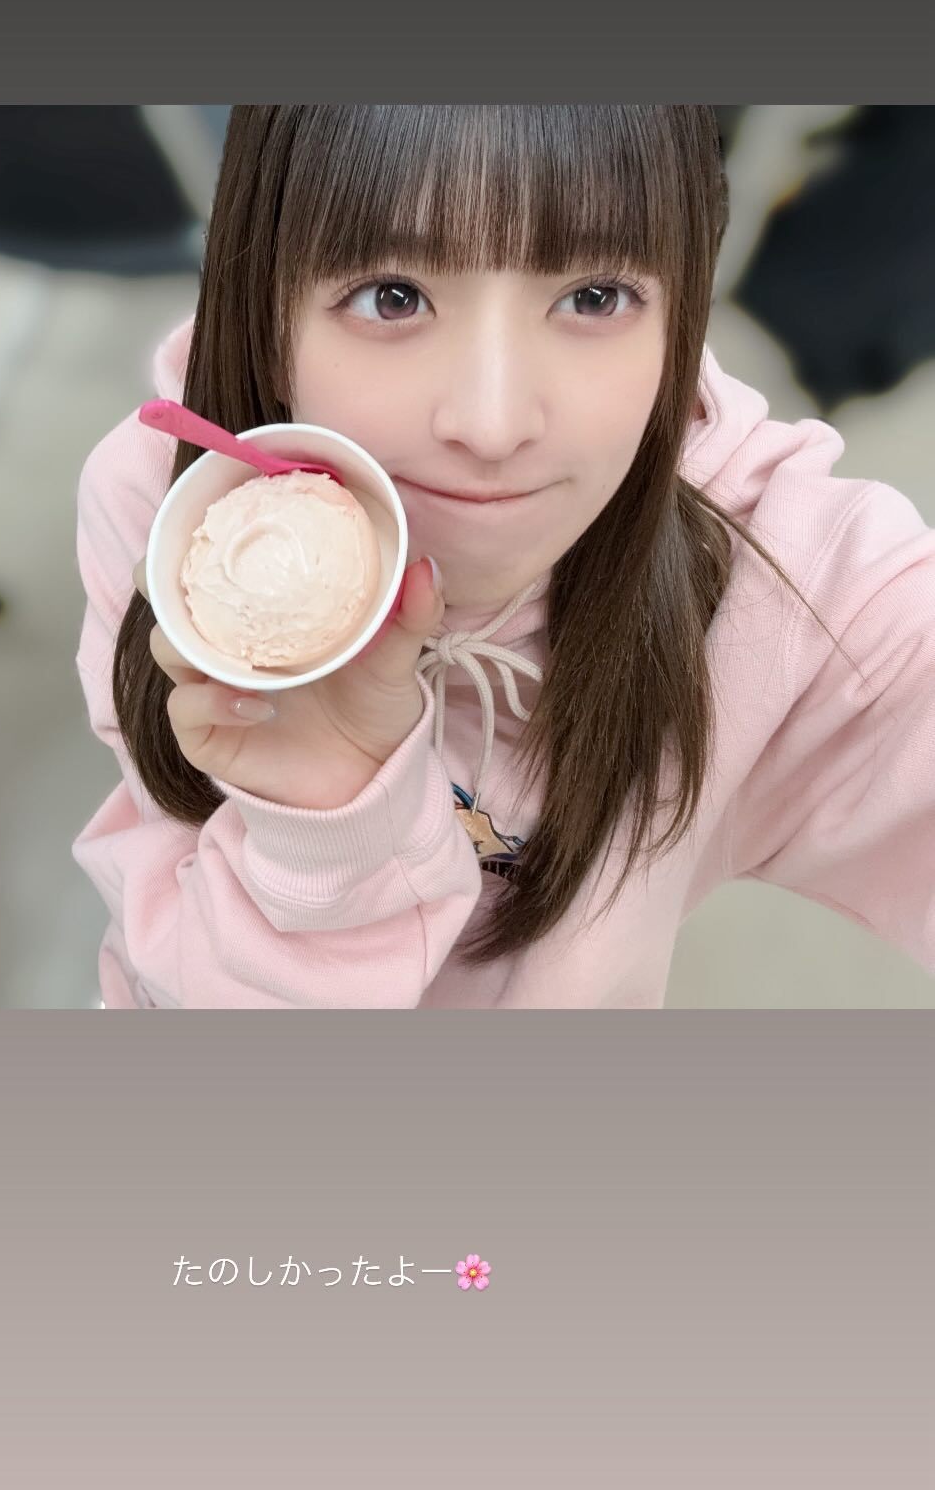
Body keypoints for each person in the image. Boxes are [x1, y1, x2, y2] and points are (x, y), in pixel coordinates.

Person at [72, 105, 935, 1008]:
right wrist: (323, 835)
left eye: (594, 297)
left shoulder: (780, 585)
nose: (491, 426)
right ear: (267, 298)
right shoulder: (177, 513)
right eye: (393, 297)